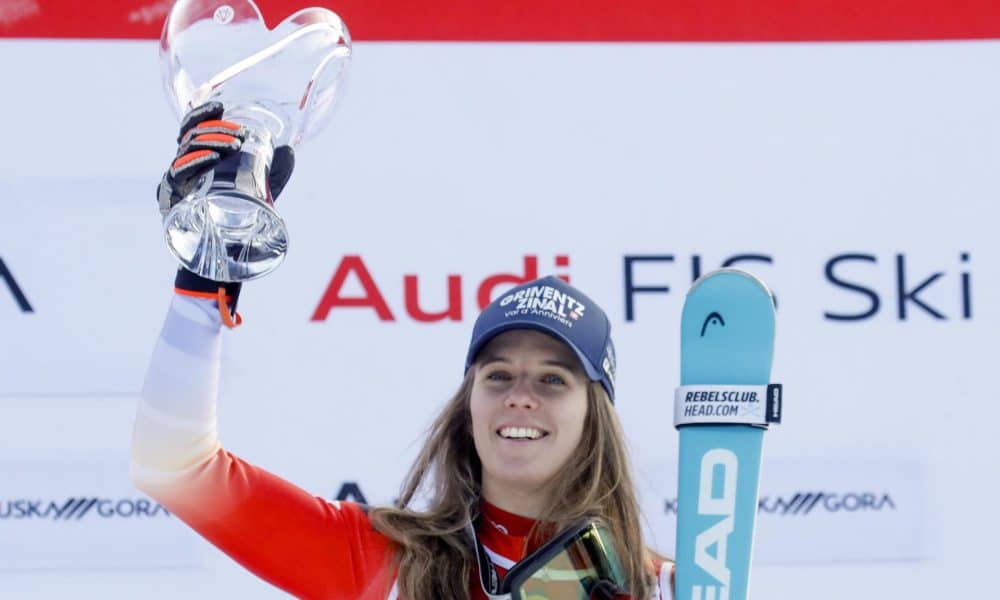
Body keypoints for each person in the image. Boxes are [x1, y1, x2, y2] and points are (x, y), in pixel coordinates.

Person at [132, 103, 674, 599]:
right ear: (467, 407)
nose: (520, 396)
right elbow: (174, 467)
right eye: (498, 375)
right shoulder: (380, 560)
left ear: (593, 415)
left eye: (553, 379)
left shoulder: (666, 587)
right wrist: (205, 277)